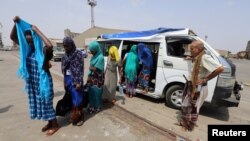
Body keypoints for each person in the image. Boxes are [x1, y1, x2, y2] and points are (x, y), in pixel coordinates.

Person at [10, 16, 59, 136]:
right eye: (27, 41)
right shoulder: (27, 52)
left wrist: (37, 30)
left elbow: (49, 46)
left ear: (35, 39)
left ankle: (55, 125)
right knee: (41, 104)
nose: (29, 43)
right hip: (33, 83)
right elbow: (12, 37)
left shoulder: (42, 53)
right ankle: (49, 122)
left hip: (44, 84)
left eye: (31, 40)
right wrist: (16, 23)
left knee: (47, 104)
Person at [178, 40, 224, 131]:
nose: (190, 50)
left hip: (198, 88)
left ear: (199, 49)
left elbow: (220, 68)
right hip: (192, 85)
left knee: (193, 108)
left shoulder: (204, 57)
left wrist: (205, 79)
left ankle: (189, 126)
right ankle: (185, 123)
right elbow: (198, 64)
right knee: (187, 105)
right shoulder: (197, 57)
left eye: (192, 49)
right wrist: (190, 58)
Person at [61, 37, 84, 126]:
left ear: (72, 45)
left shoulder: (78, 54)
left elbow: (80, 68)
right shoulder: (64, 55)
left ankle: (81, 117)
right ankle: (75, 116)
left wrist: (78, 82)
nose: (66, 48)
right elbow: (64, 69)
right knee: (72, 99)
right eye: (64, 46)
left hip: (76, 80)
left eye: (67, 46)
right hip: (68, 79)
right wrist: (65, 82)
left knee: (78, 99)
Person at [87, 41, 104, 113]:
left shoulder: (100, 57)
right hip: (92, 77)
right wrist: (89, 76)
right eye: (91, 51)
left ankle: (97, 107)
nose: (91, 52)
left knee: (97, 93)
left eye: (92, 51)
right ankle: (92, 106)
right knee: (91, 92)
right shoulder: (93, 56)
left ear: (96, 49)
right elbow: (91, 67)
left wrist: (90, 68)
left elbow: (96, 68)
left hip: (98, 79)